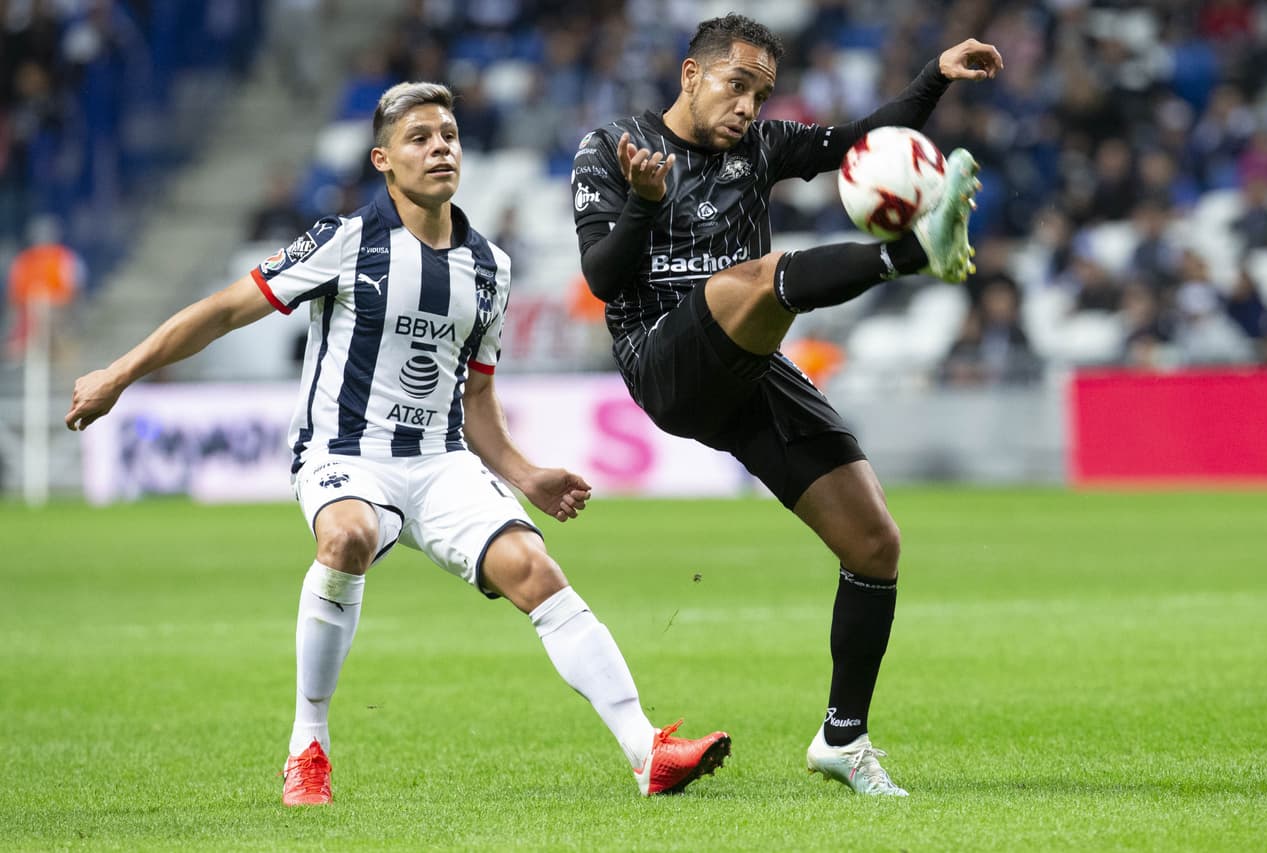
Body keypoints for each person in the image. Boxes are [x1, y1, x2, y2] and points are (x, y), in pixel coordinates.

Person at [65, 82, 730, 805]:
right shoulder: (346, 241)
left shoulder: (490, 268)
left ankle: (647, 752)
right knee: (346, 536)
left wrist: (525, 473)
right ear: (383, 159)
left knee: (534, 569)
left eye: (448, 133)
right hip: (344, 455)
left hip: (441, 464)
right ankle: (308, 745)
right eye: (420, 137)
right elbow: (225, 311)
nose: (440, 146)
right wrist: (119, 373)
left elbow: (476, 398)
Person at [573, 14, 1002, 796]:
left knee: (874, 543)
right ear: (690, 75)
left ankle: (843, 736)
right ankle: (909, 254)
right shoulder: (615, 148)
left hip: (748, 364)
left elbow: (864, 137)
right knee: (759, 276)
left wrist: (935, 72)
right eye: (736, 85)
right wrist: (642, 201)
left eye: (761, 93)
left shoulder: (760, 149)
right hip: (663, 361)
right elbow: (602, 280)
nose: (747, 106)